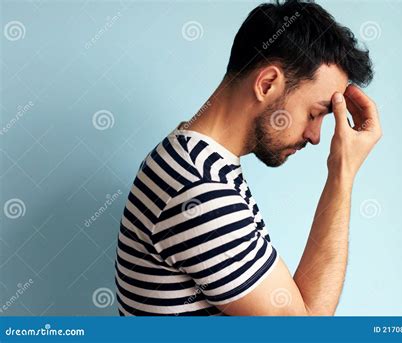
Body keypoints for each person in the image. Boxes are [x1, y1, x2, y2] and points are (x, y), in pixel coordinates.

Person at [114, 0, 382, 316]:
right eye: (314, 113)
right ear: (267, 84)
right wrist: (342, 173)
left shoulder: (191, 157)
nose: (316, 136)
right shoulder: (200, 189)